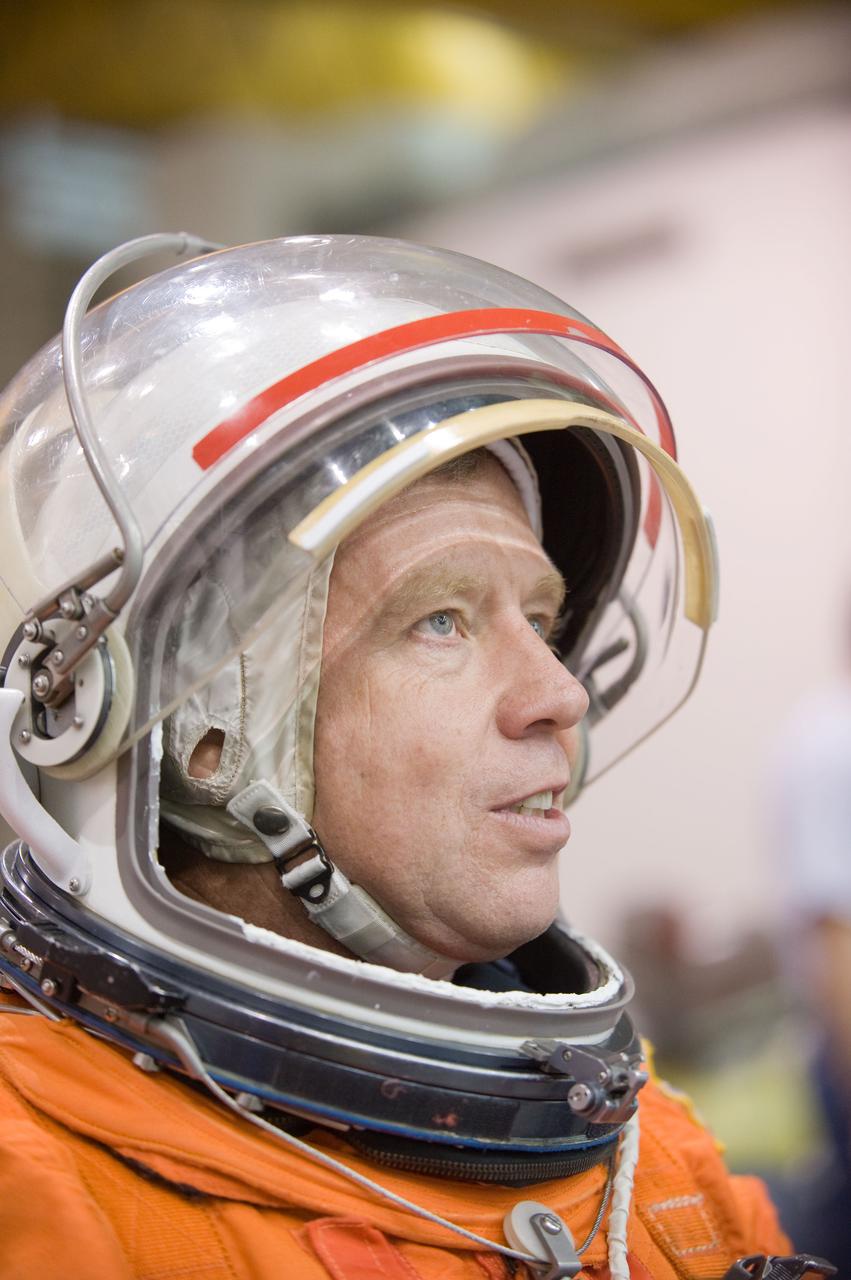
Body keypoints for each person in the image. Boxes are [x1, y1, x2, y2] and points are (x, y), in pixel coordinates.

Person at [0, 232, 818, 1279]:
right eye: (440, 620)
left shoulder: (656, 1159)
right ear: (211, 734)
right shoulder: (46, 1193)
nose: (560, 694)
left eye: (541, 620)